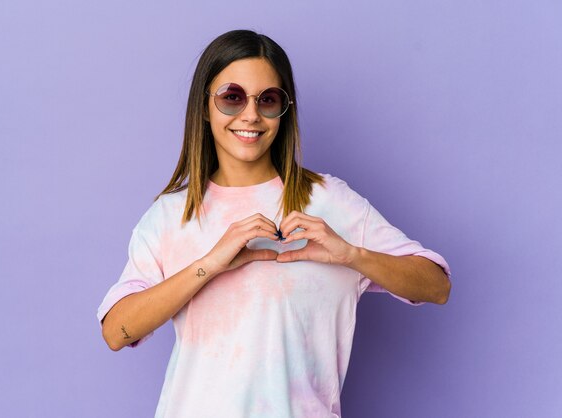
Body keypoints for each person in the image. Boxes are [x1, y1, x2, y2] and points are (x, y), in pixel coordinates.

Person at [97, 29, 451, 418]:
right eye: (232, 97)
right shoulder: (171, 215)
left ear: (284, 110)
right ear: (204, 106)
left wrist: (351, 254)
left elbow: (436, 286)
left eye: (268, 100)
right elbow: (117, 331)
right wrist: (209, 265)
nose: (250, 115)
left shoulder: (328, 200)